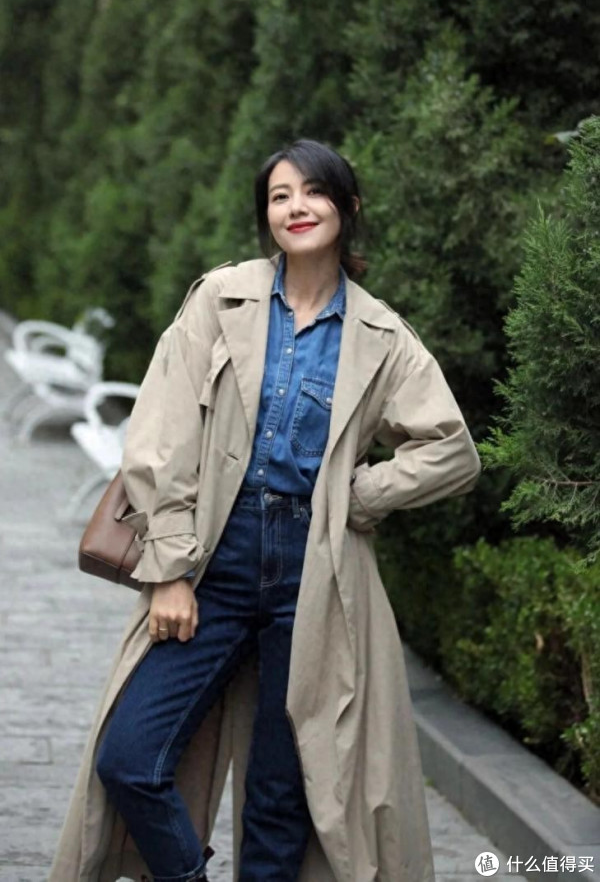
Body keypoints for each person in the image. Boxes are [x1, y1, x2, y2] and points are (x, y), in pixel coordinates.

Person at [50, 139, 481, 882]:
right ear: (266, 216)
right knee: (128, 757)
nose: (296, 208)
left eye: (313, 192)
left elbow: (452, 451)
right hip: (213, 556)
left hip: (315, 576)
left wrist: (359, 495)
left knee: (282, 797)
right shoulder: (222, 299)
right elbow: (160, 438)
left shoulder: (381, 336)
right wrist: (171, 570)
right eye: (280, 196)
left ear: (347, 208)